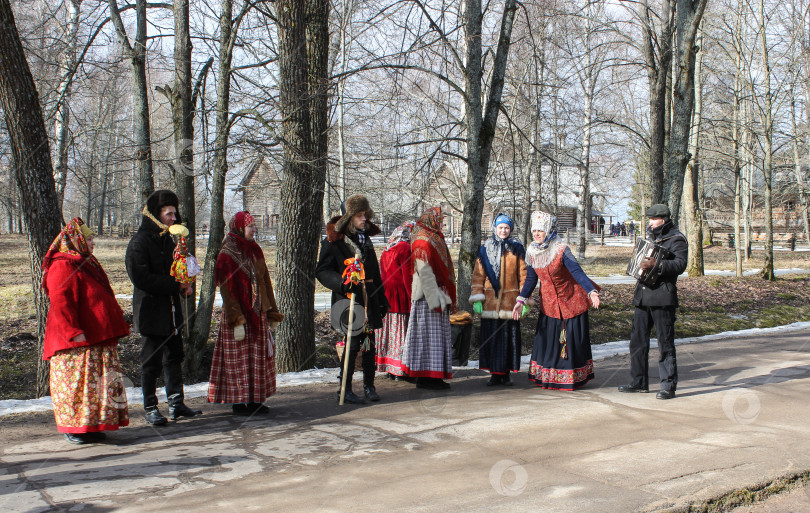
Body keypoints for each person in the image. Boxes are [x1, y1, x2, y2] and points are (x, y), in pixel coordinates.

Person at [42, 218, 131, 444]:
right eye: (89, 238)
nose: (93, 243)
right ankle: (74, 428)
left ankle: (91, 426)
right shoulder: (63, 265)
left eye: (92, 238)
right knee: (77, 385)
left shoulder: (85, 261)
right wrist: (73, 331)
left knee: (95, 386)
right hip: (75, 341)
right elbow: (61, 302)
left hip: (96, 337)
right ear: (76, 240)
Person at [125, 190, 201, 425]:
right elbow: (141, 278)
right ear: (156, 215)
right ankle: (150, 407)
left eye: (174, 213)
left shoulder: (168, 240)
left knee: (174, 356)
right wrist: (174, 284)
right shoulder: (139, 242)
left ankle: (176, 403)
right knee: (151, 361)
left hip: (171, 310)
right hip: (150, 310)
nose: (173, 218)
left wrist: (185, 283)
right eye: (169, 213)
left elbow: (175, 271)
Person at [208, 212, 284, 415]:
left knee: (256, 358)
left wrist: (271, 311)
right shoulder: (227, 252)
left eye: (254, 226)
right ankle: (239, 402)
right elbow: (226, 288)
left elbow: (265, 282)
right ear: (239, 227)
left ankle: (254, 400)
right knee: (240, 359)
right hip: (238, 314)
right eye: (249, 226)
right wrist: (236, 319)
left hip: (257, 311)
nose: (253, 229)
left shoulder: (255, 249)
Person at [515, 211, 601, 390]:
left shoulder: (561, 249)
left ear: (549, 230)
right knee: (549, 342)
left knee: (570, 341)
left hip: (571, 301)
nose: (537, 234)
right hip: (549, 304)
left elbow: (577, 272)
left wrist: (591, 291)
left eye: (541, 230)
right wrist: (521, 299)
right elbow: (531, 279)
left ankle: (571, 378)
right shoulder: (531, 252)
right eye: (535, 231)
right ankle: (550, 377)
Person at [316, 194, 389, 404]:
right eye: (359, 215)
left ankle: (369, 386)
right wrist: (343, 283)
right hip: (347, 300)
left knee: (369, 344)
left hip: (369, 299)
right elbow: (322, 271)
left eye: (365, 215)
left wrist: (382, 299)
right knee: (352, 345)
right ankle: (344, 389)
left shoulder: (365, 241)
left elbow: (375, 272)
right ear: (348, 218)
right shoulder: (334, 242)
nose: (364, 219)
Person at [618, 204, 687, 399]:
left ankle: (668, 385)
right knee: (637, 342)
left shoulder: (677, 239)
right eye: (649, 219)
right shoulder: (651, 237)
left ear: (663, 219)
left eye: (653, 219)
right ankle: (638, 381)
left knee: (665, 343)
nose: (650, 223)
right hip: (642, 296)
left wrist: (657, 264)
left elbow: (680, 264)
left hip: (662, 297)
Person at [401, 206, 456, 390]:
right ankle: (426, 376)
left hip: (437, 291)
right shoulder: (422, 240)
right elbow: (423, 270)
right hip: (428, 294)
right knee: (427, 336)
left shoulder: (433, 236)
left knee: (436, 337)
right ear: (430, 219)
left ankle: (434, 375)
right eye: (439, 219)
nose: (441, 223)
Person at [470, 213, 527, 386]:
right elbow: (478, 275)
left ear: (511, 229)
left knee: (509, 339)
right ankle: (494, 374)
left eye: (507, 227)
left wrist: (524, 299)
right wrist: (478, 298)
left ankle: (507, 373)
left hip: (511, 303)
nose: (503, 230)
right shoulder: (485, 248)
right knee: (492, 339)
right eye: (501, 227)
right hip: (490, 302)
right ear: (495, 228)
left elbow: (524, 275)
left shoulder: (517, 248)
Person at [375, 221, 415, 380]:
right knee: (400, 332)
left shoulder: (387, 248)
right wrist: (413, 296)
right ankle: (400, 369)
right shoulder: (405, 248)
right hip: (400, 295)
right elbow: (407, 276)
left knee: (389, 332)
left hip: (386, 294)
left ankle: (389, 367)